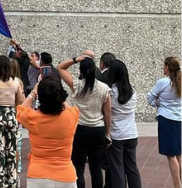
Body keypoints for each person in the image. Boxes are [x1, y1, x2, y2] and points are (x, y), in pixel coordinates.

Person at [58, 55, 111, 188]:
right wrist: (107, 133)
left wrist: (76, 59)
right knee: (96, 168)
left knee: (79, 167)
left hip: (80, 128)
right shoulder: (104, 88)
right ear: (94, 70)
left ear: (81, 71)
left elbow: (60, 67)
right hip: (98, 129)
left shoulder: (77, 85)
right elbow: (108, 113)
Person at [19, 77, 81, 188]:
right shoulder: (71, 116)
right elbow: (71, 109)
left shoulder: (34, 118)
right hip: (66, 174)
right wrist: (58, 94)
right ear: (61, 95)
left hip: (38, 174)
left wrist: (33, 92)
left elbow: (20, 110)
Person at [0, 55, 23, 188]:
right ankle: (12, 180)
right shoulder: (16, 82)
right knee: (11, 149)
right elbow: (20, 100)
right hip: (11, 114)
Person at [104, 60, 140, 188]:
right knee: (132, 167)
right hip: (132, 133)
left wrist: (107, 133)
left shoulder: (110, 92)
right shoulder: (133, 91)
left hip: (116, 134)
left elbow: (107, 112)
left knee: (117, 169)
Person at [147, 56, 181, 188]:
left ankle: (177, 185)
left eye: (164, 65)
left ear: (167, 67)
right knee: (178, 153)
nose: (163, 68)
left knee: (171, 155)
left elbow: (150, 97)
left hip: (166, 119)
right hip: (179, 118)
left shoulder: (163, 82)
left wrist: (157, 103)